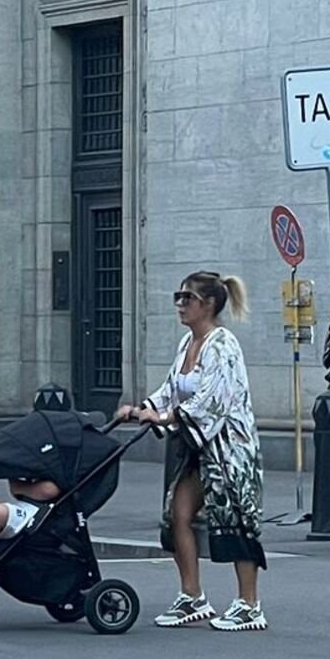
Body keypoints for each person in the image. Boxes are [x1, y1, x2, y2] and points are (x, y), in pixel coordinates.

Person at [116, 269, 268, 632]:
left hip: (230, 450)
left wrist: (164, 417)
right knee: (177, 514)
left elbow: (210, 401)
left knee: (237, 520)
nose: (180, 305)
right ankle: (192, 596)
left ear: (209, 304)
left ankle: (250, 604)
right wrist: (142, 408)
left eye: (188, 298)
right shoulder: (188, 345)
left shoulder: (223, 345)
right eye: (178, 298)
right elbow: (172, 387)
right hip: (197, 447)